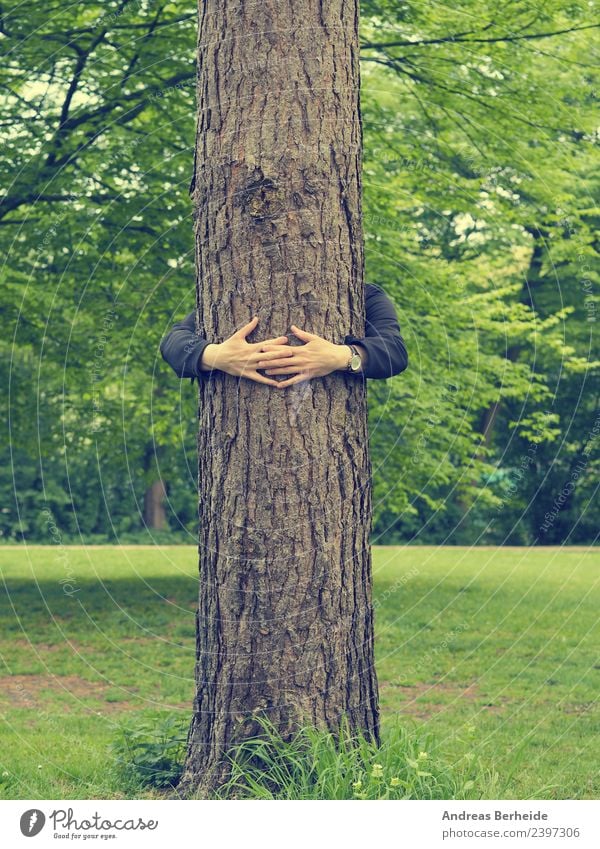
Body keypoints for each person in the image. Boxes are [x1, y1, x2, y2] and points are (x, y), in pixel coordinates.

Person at [160, 282, 408, 387]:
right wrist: (214, 355)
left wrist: (343, 357)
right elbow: (173, 342)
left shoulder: (362, 294)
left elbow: (394, 352)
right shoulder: (230, 293)